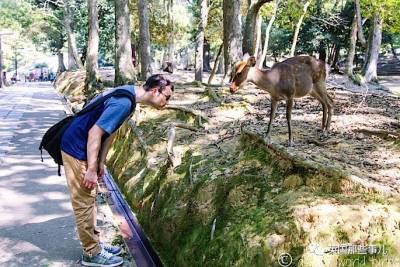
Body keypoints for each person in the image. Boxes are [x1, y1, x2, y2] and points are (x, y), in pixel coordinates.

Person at [60, 74, 174, 267]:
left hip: (84, 146)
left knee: (89, 197)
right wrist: (90, 168)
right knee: (84, 202)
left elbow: (109, 131)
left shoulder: (130, 96)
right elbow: (94, 132)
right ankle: (91, 254)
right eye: (167, 96)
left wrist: (101, 162)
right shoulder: (124, 103)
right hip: (77, 147)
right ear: (155, 91)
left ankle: (95, 245)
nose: (167, 102)